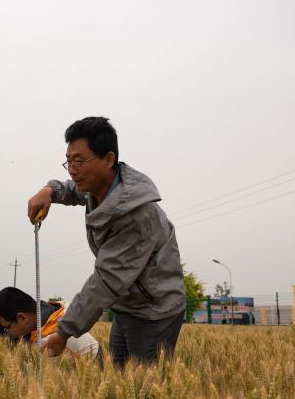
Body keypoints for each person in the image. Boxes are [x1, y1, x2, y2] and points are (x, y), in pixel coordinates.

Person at [25, 117, 185, 366]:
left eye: (79, 161)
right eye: (69, 161)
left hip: (154, 310)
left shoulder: (133, 214)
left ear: (109, 159)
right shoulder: (100, 186)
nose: (72, 169)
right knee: (119, 377)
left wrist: (64, 332)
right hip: (128, 303)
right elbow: (73, 189)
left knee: (145, 385)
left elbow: (106, 281)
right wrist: (49, 191)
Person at [0, 287, 100, 356]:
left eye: (7, 327)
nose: (7, 332)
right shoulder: (50, 311)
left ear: (23, 318)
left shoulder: (48, 339)